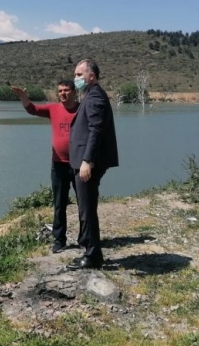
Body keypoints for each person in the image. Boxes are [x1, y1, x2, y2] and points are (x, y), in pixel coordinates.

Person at [11, 81, 79, 253]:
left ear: (74, 92)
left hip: (79, 164)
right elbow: (32, 109)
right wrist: (23, 97)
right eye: (60, 91)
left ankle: (86, 239)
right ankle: (59, 240)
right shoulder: (53, 109)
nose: (63, 93)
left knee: (84, 204)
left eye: (66, 90)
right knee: (59, 204)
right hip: (58, 165)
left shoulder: (82, 109)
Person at [67, 59, 119, 270]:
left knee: (87, 209)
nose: (76, 79)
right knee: (85, 206)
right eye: (75, 75)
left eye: (80, 75)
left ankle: (92, 256)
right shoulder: (90, 95)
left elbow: (96, 130)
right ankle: (88, 248)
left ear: (91, 76)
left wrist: (87, 161)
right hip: (83, 161)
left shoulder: (95, 96)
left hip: (87, 163)